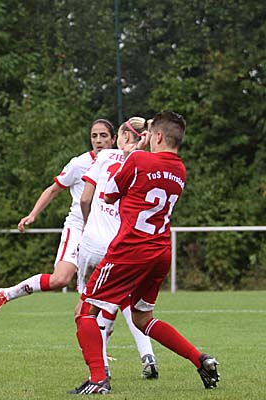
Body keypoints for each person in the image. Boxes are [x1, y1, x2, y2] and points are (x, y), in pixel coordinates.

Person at [69, 111, 219, 394]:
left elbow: (109, 194)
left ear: (157, 136)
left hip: (130, 249)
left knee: (84, 310)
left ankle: (98, 380)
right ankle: (201, 360)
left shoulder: (139, 159)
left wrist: (131, 154)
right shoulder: (181, 170)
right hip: (160, 251)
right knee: (142, 318)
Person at [0, 119, 116, 313]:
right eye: (94, 136)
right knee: (60, 279)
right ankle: (8, 293)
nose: (98, 140)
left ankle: (100, 328)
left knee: (110, 289)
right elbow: (53, 189)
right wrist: (32, 215)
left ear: (113, 139)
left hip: (105, 231)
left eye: (103, 136)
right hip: (79, 227)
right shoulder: (79, 164)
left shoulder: (122, 162)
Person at [78, 117, 158, 380]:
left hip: (92, 244)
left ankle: (101, 370)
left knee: (86, 310)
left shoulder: (103, 158)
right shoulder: (147, 162)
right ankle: (148, 356)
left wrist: (87, 224)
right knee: (129, 305)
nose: (99, 141)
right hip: (124, 245)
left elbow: (86, 198)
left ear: (120, 137)